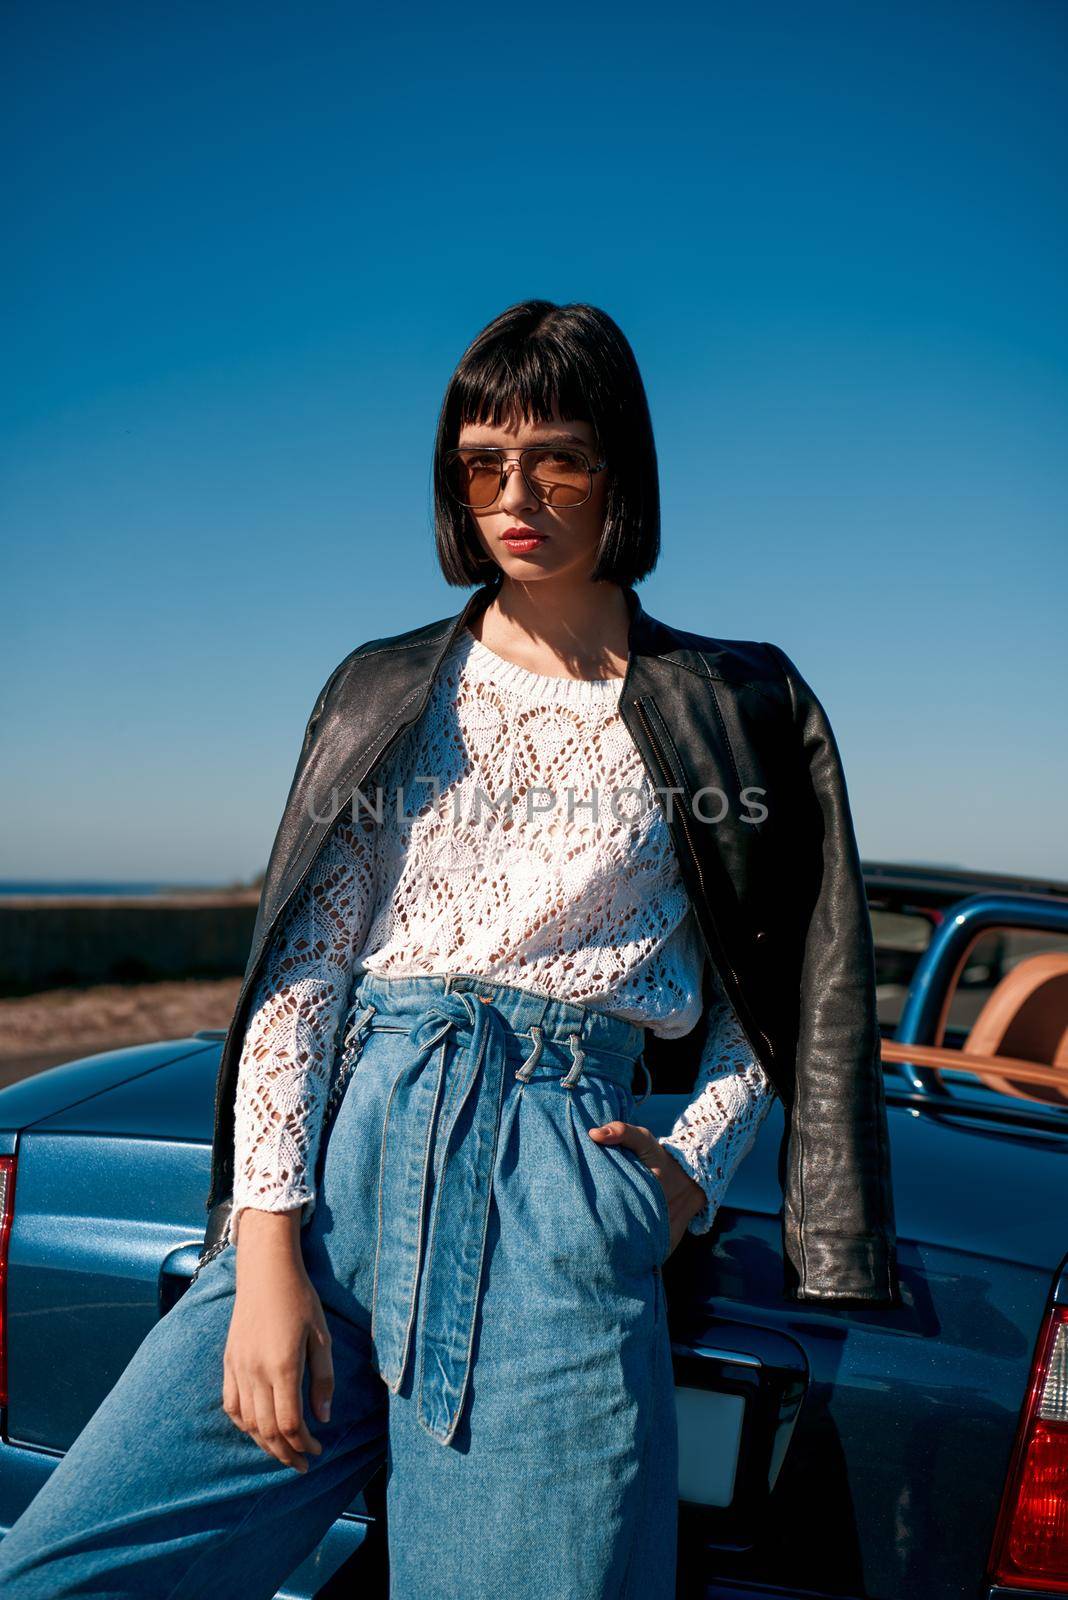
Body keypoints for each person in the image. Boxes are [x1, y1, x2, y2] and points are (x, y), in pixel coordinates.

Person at [0, 299, 896, 1599]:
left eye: (557, 457)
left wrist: (686, 1180)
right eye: (484, 463)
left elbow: (787, 980)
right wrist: (263, 1258)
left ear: (622, 468)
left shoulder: (733, 702)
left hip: (555, 1209)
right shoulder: (387, 685)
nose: (514, 493)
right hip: (339, 1182)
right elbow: (305, 977)